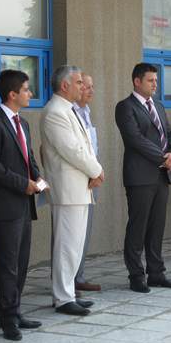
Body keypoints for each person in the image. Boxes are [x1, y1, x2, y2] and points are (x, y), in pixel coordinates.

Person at [0, 69, 44, 340]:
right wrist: (22, 183)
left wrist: (38, 178)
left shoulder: (23, 123)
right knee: (7, 265)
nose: (30, 94)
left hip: (24, 203)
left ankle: (12, 310)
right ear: (12, 94)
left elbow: (28, 158)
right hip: (4, 205)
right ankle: (7, 318)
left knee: (21, 261)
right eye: (27, 90)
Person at [40, 65, 101, 315]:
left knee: (74, 245)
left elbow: (83, 146)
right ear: (64, 85)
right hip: (68, 189)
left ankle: (69, 292)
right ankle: (63, 297)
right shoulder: (55, 111)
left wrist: (94, 170)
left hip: (80, 187)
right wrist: (96, 170)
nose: (82, 87)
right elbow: (72, 150)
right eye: (78, 83)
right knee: (66, 245)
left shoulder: (69, 109)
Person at [115, 63, 171, 293]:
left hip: (162, 176)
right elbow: (135, 139)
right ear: (137, 81)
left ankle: (156, 273)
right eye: (151, 80)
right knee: (138, 227)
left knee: (157, 227)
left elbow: (170, 134)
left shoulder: (158, 106)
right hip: (140, 176)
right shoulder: (125, 107)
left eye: (156, 80)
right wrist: (163, 157)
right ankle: (136, 275)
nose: (155, 84)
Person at [73, 73, 102, 292]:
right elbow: (75, 151)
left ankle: (78, 275)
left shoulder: (86, 112)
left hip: (92, 179)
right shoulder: (69, 113)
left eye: (92, 87)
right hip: (77, 180)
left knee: (85, 231)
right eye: (86, 86)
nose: (91, 91)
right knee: (71, 234)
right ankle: (68, 278)